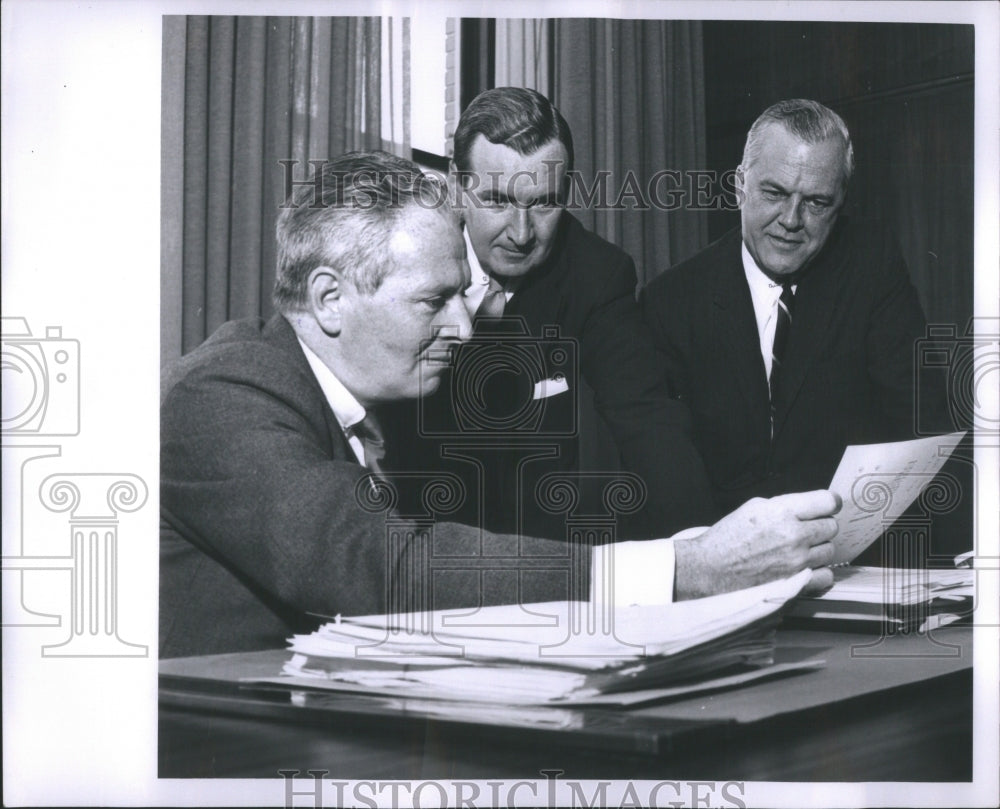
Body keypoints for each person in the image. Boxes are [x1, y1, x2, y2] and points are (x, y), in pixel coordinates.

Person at [160, 151, 840, 659]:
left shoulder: (383, 392)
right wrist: (682, 570)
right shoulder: (221, 397)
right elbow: (388, 567)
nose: (463, 326)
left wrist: (684, 550)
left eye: (463, 292)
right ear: (331, 299)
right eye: (434, 300)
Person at [386, 86, 716, 540]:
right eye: (498, 201)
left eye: (543, 202)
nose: (522, 235)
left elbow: (647, 418)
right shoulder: (403, 255)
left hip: (539, 547)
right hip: (408, 532)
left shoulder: (595, 274)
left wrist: (700, 548)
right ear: (458, 188)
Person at [641, 99, 947, 519]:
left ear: (839, 205)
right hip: (724, 549)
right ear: (739, 186)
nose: (790, 219)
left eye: (816, 203)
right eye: (774, 193)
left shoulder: (872, 269)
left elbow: (923, 424)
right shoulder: (670, 302)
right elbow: (668, 474)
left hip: (847, 544)